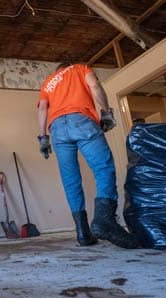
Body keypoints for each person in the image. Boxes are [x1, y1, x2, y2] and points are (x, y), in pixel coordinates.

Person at [37, 63, 137, 249]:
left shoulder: (48, 82)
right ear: (67, 67)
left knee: (70, 179)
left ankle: (83, 233)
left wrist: (43, 137)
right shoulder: (80, 68)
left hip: (57, 128)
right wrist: (106, 112)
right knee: (103, 167)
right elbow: (95, 86)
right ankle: (104, 219)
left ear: (57, 70)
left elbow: (42, 109)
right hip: (81, 120)